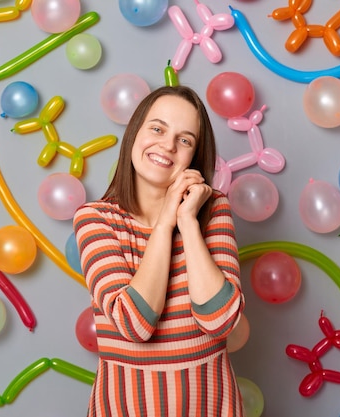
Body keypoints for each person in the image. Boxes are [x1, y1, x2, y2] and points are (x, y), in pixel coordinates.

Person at [73, 85, 245, 417]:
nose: (167, 145)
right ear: (135, 133)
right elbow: (134, 323)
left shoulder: (213, 210)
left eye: (185, 140)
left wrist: (187, 221)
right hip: (125, 406)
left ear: (193, 157)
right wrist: (165, 224)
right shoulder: (95, 218)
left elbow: (221, 320)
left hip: (210, 404)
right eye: (157, 128)